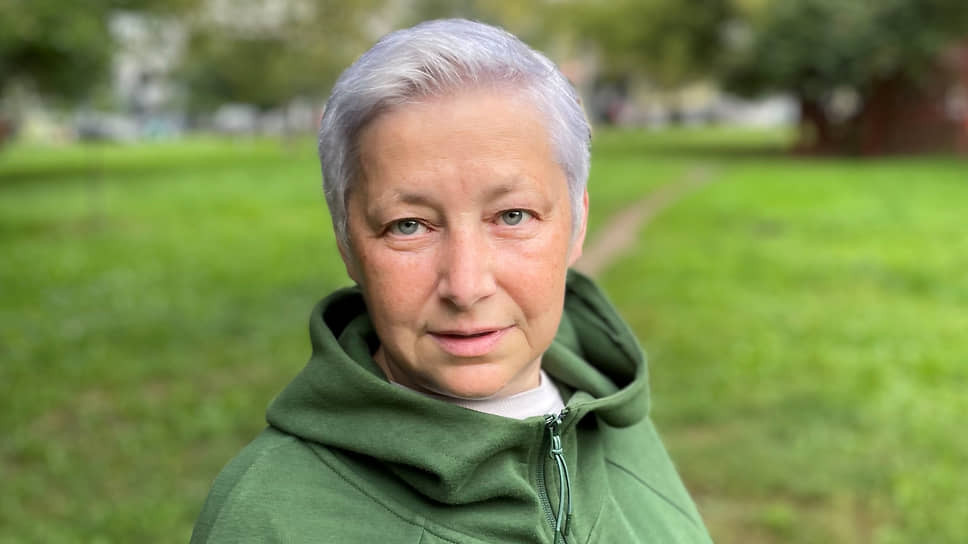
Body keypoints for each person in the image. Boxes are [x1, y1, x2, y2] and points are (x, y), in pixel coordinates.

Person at [190, 19, 713, 544]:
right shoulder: (267, 521)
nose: (465, 287)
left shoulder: (615, 417)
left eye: (512, 216)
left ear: (577, 224)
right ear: (347, 243)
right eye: (408, 226)